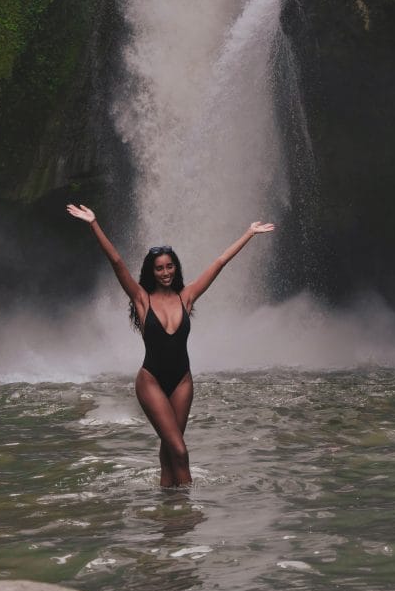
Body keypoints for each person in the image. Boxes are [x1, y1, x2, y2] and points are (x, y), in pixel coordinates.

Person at [66, 203, 275, 487]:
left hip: (182, 382)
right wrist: (93, 223)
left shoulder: (186, 297)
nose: (165, 272)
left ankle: (168, 517)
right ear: (151, 272)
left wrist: (249, 233)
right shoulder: (141, 299)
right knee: (180, 450)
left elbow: (220, 262)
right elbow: (116, 262)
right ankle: (187, 512)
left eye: (169, 266)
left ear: (175, 268)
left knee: (169, 451)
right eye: (159, 268)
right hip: (151, 380)